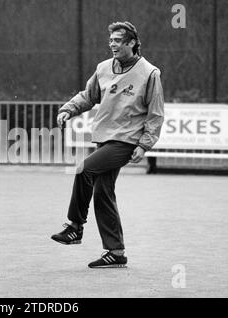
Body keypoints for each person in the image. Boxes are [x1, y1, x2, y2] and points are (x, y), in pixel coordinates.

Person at [51, 22, 164, 268]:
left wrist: (144, 144)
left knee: (83, 170)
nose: (112, 44)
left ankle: (75, 227)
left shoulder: (150, 72)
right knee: (103, 193)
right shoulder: (103, 68)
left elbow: (156, 114)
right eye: (110, 40)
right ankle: (116, 252)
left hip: (125, 141)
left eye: (117, 40)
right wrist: (68, 110)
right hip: (104, 139)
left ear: (132, 42)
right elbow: (88, 96)